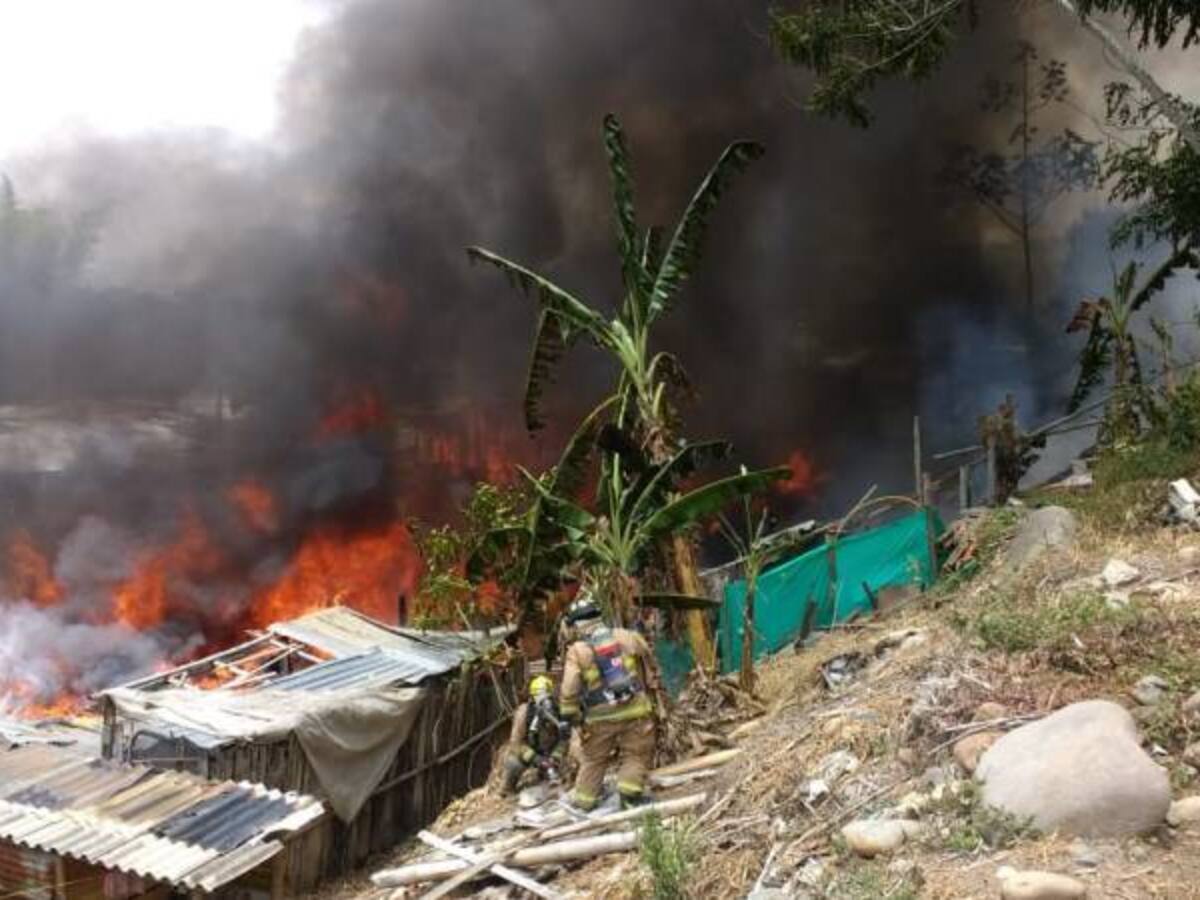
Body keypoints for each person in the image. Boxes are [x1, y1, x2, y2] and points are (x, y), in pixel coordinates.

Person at [559, 595, 664, 810]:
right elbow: (649, 659)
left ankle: (585, 802)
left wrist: (571, 716)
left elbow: (570, 688)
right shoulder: (626, 636)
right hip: (636, 710)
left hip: (599, 718)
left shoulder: (577, 650)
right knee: (636, 754)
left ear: (577, 625)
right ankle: (630, 796)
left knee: (594, 759)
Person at [500, 674, 570, 795]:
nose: (545, 700)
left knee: (565, 768)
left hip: (551, 752)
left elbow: (565, 739)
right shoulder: (524, 712)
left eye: (548, 695)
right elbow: (516, 743)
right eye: (539, 695)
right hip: (531, 752)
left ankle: (546, 775)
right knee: (513, 763)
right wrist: (536, 759)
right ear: (532, 697)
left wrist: (555, 757)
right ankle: (507, 789)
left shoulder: (559, 711)